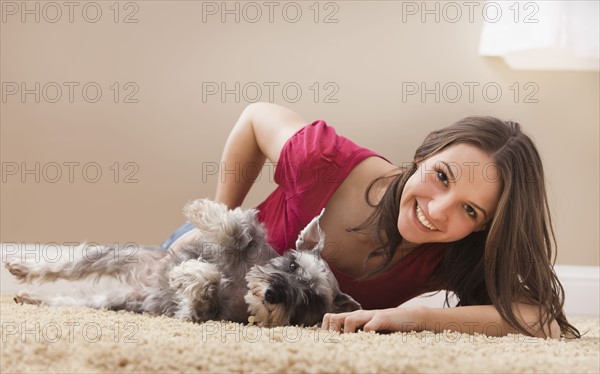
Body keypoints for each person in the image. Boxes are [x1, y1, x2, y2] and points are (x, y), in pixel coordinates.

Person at [162, 102, 580, 339]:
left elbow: (541, 320)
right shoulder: (322, 162)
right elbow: (254, 118)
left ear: (482, 226)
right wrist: (222, 221)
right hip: (205, 256)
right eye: (441, 177)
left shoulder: (455, 253)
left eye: (470, 210)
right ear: (424, 154)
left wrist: (414, 317)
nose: (437, 211)